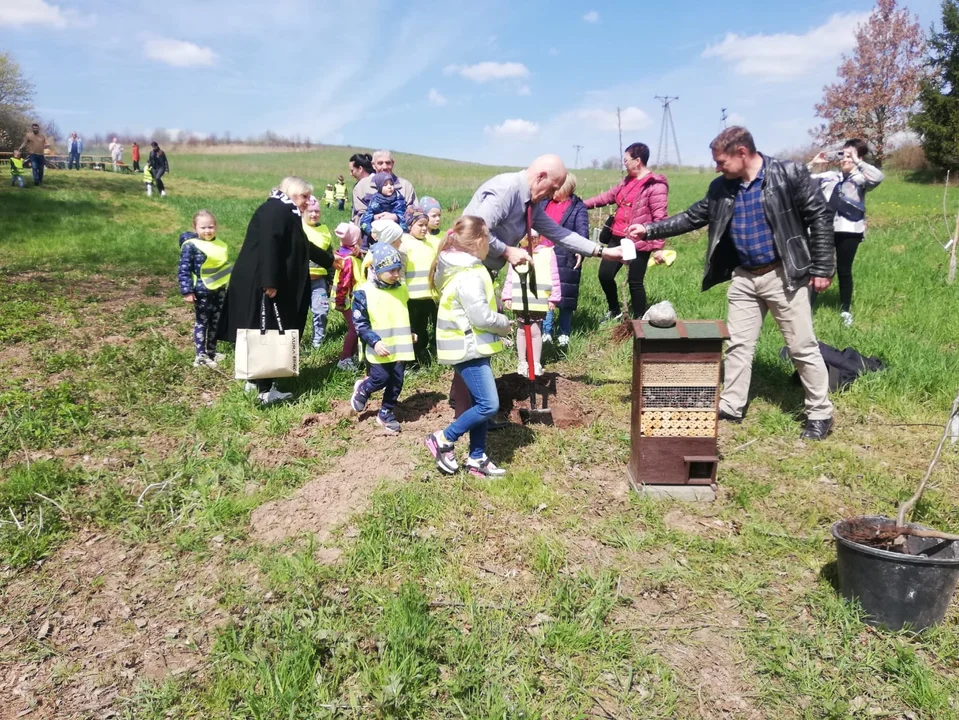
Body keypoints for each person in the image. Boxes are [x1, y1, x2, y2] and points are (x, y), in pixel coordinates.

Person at [627, 126, 835, 440]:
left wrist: (822, 267)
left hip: (785, 276)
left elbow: (819, 216)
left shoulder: (787, 174)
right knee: (738, 345)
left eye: (721, 161)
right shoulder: (722, 187)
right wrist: (650, 230)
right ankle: (731, 405)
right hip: (744, 277)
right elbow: (693, 216)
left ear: (742, 153)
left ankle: (820, 413)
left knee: (801, 346)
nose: (717, 168)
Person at [219, 176, 334, 405]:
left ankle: (255, 382)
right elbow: (269, 246)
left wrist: (330, 260)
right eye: (304, 196)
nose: (307, 202)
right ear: (291, 192)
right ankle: (265, 389)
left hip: (264, 281)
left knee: (262, 330)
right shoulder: (275, 210)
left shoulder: (284, 212)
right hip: (264, 282)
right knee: (267, 331)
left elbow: (302, 245)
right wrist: (269, 281)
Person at [425, 216, 512, 477]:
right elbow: (482, 317)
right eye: (489, 238)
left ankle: (477, 459)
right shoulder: (470, 274)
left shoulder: (458, 269)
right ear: (479, 241)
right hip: (469, 347)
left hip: (468, 345)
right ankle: (442, 439)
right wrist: (505, 323)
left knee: (479, 403)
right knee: (489, 405)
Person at [584, 142, 669, 320]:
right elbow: (607, 197)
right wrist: (581, 205)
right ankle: (614, 310)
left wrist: (658, 247)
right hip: (617, 237)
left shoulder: (655, 186)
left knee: (634, 282)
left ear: (638, 161)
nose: (624, 163)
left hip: (639, 241)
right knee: (604, 275)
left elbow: (660, 218)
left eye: (626, 160)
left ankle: (638, 321)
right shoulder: (626, 182)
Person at [808, 139, 884, 327]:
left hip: (850, 230)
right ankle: (807, 309)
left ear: (858, 157)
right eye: (842, 154)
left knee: (844, 270)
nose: (844, 159)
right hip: (824, 230)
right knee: (818, 268)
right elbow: (800, 180)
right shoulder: (829, 176)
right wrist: (814, 163)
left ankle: (845, 310)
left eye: (848, 155)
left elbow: (878, 177)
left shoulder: (862, 178)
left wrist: (857, 161)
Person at [350, 243, 413, 434]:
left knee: (397, 381)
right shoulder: (364, 293)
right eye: (390, 271)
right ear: (377, 270)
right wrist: (375, 341)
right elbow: (360, 324)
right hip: (378, 346)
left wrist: (411, 333)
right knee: (380, 378)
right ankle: (363, 389)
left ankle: (385, 412)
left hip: (400, 346)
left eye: (397, 270)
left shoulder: (401, 289)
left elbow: (403, 313)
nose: (395, 274)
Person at [502, 232, 560, 377]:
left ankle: (535, 363)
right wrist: (507, 295)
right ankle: (522, 362)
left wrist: (553, 298)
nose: (532, 240)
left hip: (538, 301)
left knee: (535, 331)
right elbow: (510, 276)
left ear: (540, 237)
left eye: (535, 237)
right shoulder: (517, 254)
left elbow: (554, 275)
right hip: (521, 301)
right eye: (528, 237)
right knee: (521, 330)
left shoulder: (547, 253)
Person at [179, 210, 231, 368]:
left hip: (219, 289)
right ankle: (200, 356)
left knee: (216, 321)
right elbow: (184, 269)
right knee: (202, 321)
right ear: (195, 228)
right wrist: (187, 291)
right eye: (203, 228)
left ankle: (211, 351)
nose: (208, 230)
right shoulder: (191, 246)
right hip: (201, 291)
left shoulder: (220, 244)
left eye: (211, 226)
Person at [540, 173, 587, 346]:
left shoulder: (577, 207)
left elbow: (582, 229)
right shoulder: (544, 203)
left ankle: (564, 333)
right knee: (546, 294)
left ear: (565, 188)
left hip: (566, 256)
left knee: (566, 297)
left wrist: (580, 249)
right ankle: (546, 331)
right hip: (544, 255)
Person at [403, 205, 439, 367]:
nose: (424, 228)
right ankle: (409, 361)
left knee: (423, 329)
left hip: (427, 296)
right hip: (410, 297)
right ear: (410, 225)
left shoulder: (431, 244)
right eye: (420, 225)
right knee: (411, 330)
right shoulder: (404, 244)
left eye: (426, 225)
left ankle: (421, 353)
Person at [302, 196, 334, 349]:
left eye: (317, 211)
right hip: (300, 280)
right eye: (310, 211)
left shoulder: (325, 230)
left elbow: (330, 257)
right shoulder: (298, 227)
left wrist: (331, 281)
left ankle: (317, 343)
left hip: (319, 281)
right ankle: (294, 343)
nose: (314, 215)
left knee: (321, 311)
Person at [332, 222, 364, 371]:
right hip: (347, 300)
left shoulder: (350, 256)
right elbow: (343, 282)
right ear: (356, 240)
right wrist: (339, 301)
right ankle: (344, 359)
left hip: (352, 299)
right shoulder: (348, 260)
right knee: (355, 327)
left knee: (356, 327)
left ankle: (352, 355)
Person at [354, 150, 418, 222]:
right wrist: (374, 218)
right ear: (373, 165)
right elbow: (357, 217)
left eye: (388, 163)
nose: (384, 167)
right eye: (380, 163)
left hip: (400, 231)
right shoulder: (362, 186)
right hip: (370, 231)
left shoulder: (406, 186)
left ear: (393, 163)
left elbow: (416, 215)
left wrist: (397, 217)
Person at [348, 152, 375, 222]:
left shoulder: (376, 183)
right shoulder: (359, 185)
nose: (350, 174)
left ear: (360, 169)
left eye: (352, 171)